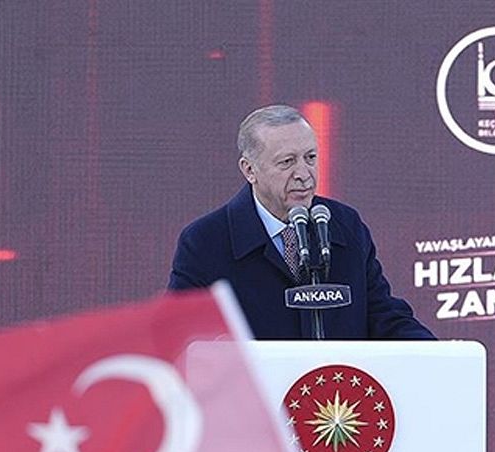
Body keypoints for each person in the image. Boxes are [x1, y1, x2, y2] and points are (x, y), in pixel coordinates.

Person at [169, 104, 435, 340]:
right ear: (249, 170)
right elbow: (179, 337)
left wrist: (440, 357)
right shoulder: (205, 241)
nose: (304, 174)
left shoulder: (344, 224)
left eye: (310, 158)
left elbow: (382, 315)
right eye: (287, 162)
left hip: (336, 382)